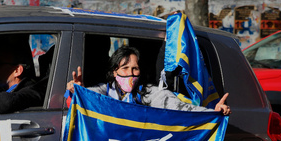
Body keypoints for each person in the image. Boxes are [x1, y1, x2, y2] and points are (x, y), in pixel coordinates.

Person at [66, 46, 231, 115]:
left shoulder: (148, 93)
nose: (130, 74)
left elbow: (179, 108)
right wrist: (78, 90)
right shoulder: (105, 90)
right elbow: (90, 97)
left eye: (135, 69)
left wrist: (212, 113)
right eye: (124, 68)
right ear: (114, 71)